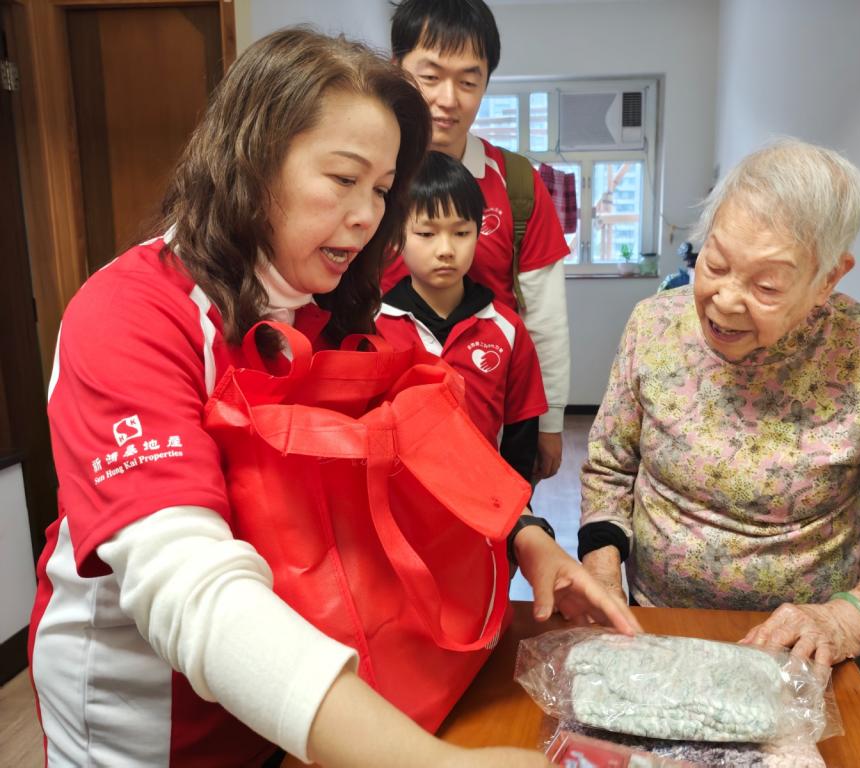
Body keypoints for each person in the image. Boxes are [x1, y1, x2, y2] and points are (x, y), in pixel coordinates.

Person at [29, 28, 634, 768]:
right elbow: (191, 588)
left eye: (382, 190)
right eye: (343, 179)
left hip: (301, 710)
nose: (367, 215)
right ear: (249, 160)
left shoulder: (331, 310)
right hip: (152, 727)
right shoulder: (129, 316)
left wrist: (526, 536)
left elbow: (434, 442)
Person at [578, 138, 860, 667]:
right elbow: (609, 469)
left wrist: (843, 620)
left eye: (766, 286)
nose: (724, 301)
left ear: (828, 279)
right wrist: (602, 572)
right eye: (714, 264)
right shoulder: (653, 325)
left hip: (800, 648)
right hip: (652, 622)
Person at [385, 0, 571, 482]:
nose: (449, 99)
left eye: (469, 81)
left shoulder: (517, 185)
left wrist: (548, 424)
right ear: (396, 69)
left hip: (489, 425)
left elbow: (545, 319)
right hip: (384, 436)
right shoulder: (363, 180)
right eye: (429, 77)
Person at [376, 151, 547, 485]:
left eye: (461, 233)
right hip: (400, 510)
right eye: (426, 234)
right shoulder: (373, 326)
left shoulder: (507, 329)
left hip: (484, 507)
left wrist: (513, 511)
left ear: (478, 232)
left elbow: (521, 430)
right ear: (397, 237)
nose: (445, 250)